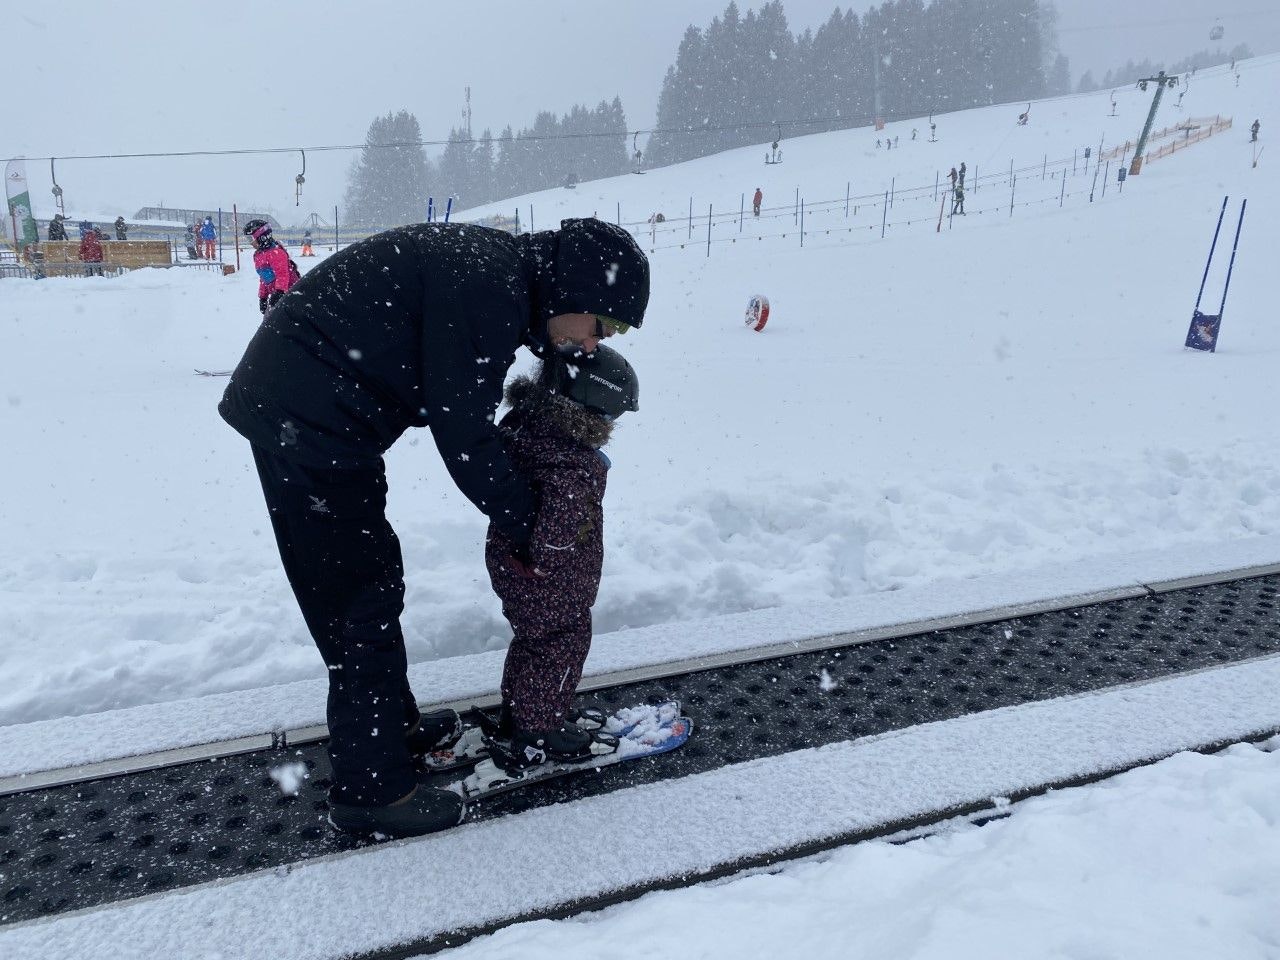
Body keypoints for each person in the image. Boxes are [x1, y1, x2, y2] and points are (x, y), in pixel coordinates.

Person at [218, 217, 649, 839]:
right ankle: (373, 790)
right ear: (575, 291)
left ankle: (390, 731)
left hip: (322, 419)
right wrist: (529, 522)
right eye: (603, 324)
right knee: (357, 602)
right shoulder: (492, 290)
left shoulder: (501, 277)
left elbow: (460, 415)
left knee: (372, 579)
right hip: (307, 423)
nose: (596, 343)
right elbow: (465, 435)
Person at [482, 344, 638, 772]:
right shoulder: (573, 465)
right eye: (611, 416)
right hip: (551, 578)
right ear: (592, 408)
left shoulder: (528, 428)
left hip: (512, 563)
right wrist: (547, 565)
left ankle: (519, 715)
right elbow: (559, 529)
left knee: (534, 642)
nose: (612, 425)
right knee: (562, 645)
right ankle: (538, 732)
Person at [243, 219, 300, 314]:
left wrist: (279, 292)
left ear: (262, 237)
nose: (250, 243)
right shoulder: (258, 255)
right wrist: (263, 297)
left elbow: (282, 275)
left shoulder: (276, 253)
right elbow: (264, 278)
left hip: (290, 293)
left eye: (250, 239)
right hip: (277, 295)